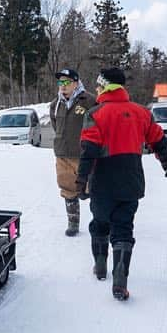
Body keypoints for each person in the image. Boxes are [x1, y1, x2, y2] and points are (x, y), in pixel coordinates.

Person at [76, 67, 167, 301]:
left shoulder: (95, 113)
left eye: (99, 86)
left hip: (102, 182)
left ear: (104, 87)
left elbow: (88, 151)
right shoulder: (142, 112)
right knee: (123, 228)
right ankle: (120, 278)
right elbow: (158, 139)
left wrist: (81, 181)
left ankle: (100, 265)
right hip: (131, 181)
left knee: (100, 223)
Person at [49, 68, 96, 237]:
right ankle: (73, 222)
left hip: (85, 154)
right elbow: (56, 126)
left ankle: (99, 221)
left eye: (66, 82)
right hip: (63, 153)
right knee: (67, 188)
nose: (62, 85)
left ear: (76, 83)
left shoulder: (89, 100)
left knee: (93, 188)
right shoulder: (56, 104)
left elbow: (97, 124)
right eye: (60, 82)